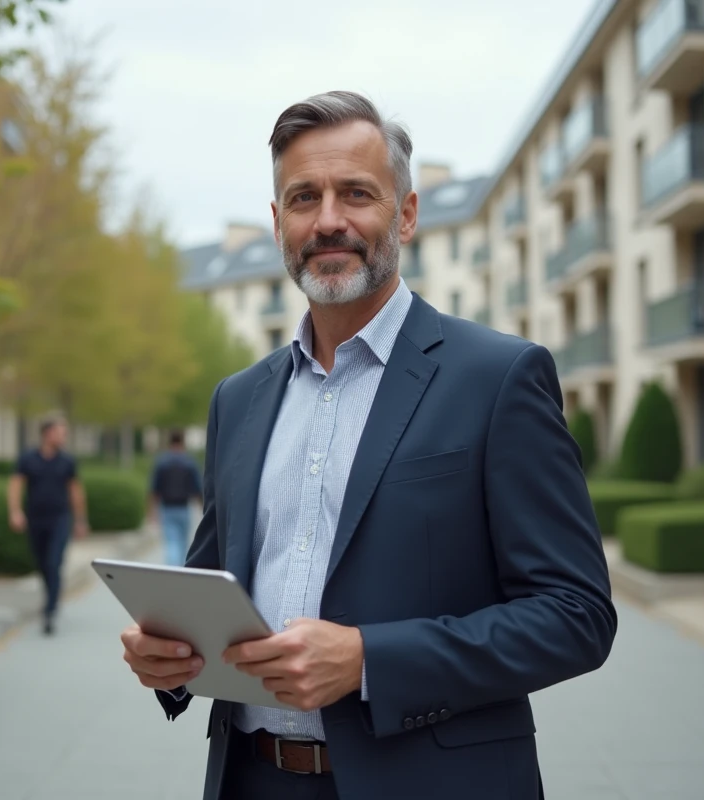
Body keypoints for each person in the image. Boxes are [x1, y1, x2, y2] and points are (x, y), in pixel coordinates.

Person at [119, 91, 617, 800]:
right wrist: (167, 654)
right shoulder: (238, 398)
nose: (328, 221)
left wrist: (368, 659)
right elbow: (212, 590)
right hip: (252, 781)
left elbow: (577, 615)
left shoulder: (499, 377)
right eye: (303, 198)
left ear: (406, 212)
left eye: (356, 193)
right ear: (276, 223)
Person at [8, 416, 89, 636]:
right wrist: (15, 512)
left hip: (60, 519)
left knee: (54, 563)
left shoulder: (67, 461)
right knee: (42, 563)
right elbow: (16, 485)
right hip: (35, 519)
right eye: (60, 432)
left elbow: (75, 490)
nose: (64, 436)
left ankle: (50, 610)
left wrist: (80, 520)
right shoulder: (27, 459)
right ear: (47, 433)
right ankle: (49, 597)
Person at [147, 429, 203, 566]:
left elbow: (154, 489)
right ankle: (182, 569)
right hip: (184, 507)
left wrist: (152, 512)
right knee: (183, 543)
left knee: (171, 542)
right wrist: (203, 507)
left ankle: (172, 568)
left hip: (167, 508)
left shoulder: (161, 462)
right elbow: (198, 488)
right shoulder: (189, 462)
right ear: (183, 442)